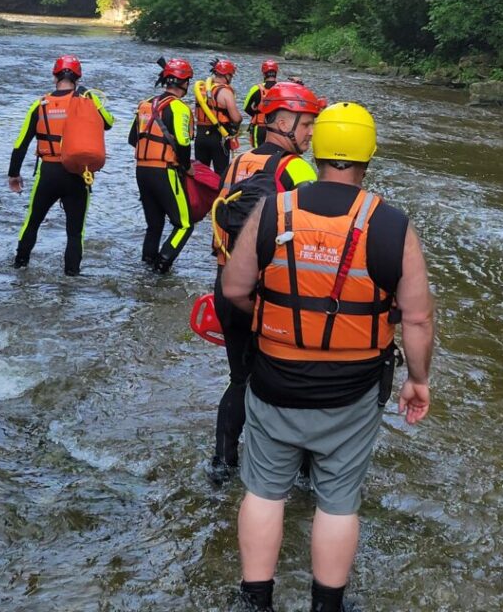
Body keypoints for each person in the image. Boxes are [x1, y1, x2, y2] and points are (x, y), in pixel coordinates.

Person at [222, 102, 434, 612]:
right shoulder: (392, 224)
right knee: (338, 501)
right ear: (369, 153)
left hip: (275, 378)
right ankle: (327, 605)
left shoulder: (275, 209)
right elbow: (418, 318)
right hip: (354, 388)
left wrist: (270, 319)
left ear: (316, 149)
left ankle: (256, 600)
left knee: (265, 492)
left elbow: (233, 287)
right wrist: (418, 379)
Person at [210, 81, 321, 485]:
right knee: (297, 387)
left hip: (227, 286)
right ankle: (306, 475)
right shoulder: (298, 169)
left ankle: (222, 465)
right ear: (280, 122)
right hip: (271, 301)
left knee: (240, 379)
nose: (311, 133)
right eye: (306, 124)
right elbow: (318, 239)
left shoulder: (238, 160)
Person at [8, 55, 114, 276]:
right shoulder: (88, 99)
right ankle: (71, 277)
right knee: (75, 233)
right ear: (78, 77)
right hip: (77, 173)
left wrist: (14, 174)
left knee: (32, 222)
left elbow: (21, 144)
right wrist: (89, 96)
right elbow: (108, 123)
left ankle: (19, 266)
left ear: (55, 75)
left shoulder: (40, 104)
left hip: (48, 172)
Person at [127, 58, 195, 275]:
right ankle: (161, 265)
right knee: (184, 224)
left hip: (142, 170)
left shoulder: (145, 104)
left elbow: (132, 139)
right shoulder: (179, 108)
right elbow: (184, 143)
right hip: (165, 170)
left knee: (154, 225)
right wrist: (187, 167)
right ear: (184, 82)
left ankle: (147, 263)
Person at [194, 58, 243, 175]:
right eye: (231, 76)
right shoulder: (225, 92)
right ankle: (219, 193)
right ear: (227, 75)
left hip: (200, 137)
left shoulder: (202, 90)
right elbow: (236, 118)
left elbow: (196, 113)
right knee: (221, 173)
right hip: (218, 137)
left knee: (201, 172)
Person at [243, 60, 279, 147]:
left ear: (264, 73)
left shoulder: (256, 89)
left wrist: (256, 114)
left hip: (260, 128)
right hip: (277, 129)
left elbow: (246, 107)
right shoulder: (282, 88)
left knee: (258, 154)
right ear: (276, 73)